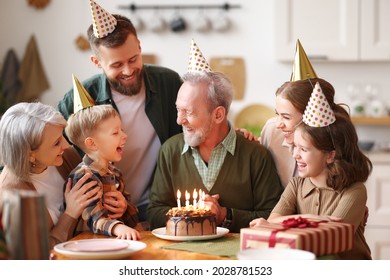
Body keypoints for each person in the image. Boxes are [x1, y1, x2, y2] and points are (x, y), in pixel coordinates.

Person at [57, 1, 182, 222]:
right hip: (101, 213)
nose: (128, 70)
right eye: (116, 65)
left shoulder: (168, 83)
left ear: (140, 46)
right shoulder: (78, 99)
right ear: (97, 62)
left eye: (133, 59)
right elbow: (51, 145)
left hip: (155, 208)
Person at [147, 70, 284, 232]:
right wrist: (194, 215)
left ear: (218, 115)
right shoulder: (169, 151)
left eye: (189, 112)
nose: (179, 120)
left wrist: (225, 215)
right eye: (178, 109)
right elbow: (154, 213)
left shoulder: (256, 156)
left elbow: (273, 217)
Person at [250, 82, 372, 259]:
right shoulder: (297, 184)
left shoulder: (355, 191)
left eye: (304, 150)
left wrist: (286, 222)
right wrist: (311, 219)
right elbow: (272, 220)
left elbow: (330, 235)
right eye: (296, 148)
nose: (296, 155)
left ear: (330, 155)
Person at [0, 102, 102, 248]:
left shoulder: (66, 156)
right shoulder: (12, 194)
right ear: (30, 155)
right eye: (56, 143)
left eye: (62, 136)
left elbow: (93, 206)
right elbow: (39, 254)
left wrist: (113, 200)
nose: (66, 145)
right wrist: (70, 213)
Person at [65, 104, 141, 240]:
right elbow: (94, 219)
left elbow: (131, 219)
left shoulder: (116, 173)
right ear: (92, 144)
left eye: (122, 130)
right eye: (115, 132)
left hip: (114, 244)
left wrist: (125, 208)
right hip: (89, 248)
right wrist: (118, 227)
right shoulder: (84, 176)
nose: (125, 136)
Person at [260, 78, 335, 187]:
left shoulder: (333, 143)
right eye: (278, 115)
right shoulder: (272, 132)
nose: (278, 124)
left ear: (310, 116)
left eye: (286, 117)